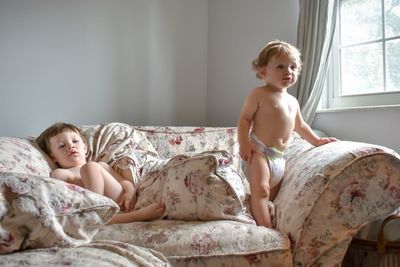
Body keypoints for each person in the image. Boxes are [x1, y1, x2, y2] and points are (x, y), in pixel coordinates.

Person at [237, 40, 337, 228]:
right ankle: (265, 231)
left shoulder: (293, 101)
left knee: (269, 199)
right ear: (263, 71)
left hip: (278, 159)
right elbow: (244, 119)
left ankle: (253, 217)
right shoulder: (259, 94)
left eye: (293, 67)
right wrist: (244, 143)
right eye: (281, 66)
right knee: (261, 191)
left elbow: (300, 126)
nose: (288, 71)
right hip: (259, 152)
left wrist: (316, 141)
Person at [36, 122, 165, 224]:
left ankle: (100, 211)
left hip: (119, 202)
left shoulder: (100, 166)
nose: (70, 146)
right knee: (89, 167)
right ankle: (132, 216)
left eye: (75, 141)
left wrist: (130, 192)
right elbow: (65, 202)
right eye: (61, 146)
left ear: (85, 147)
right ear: (53, 157)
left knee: (90, 166)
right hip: (90, 212)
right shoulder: (61, 173)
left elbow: (125, 182)